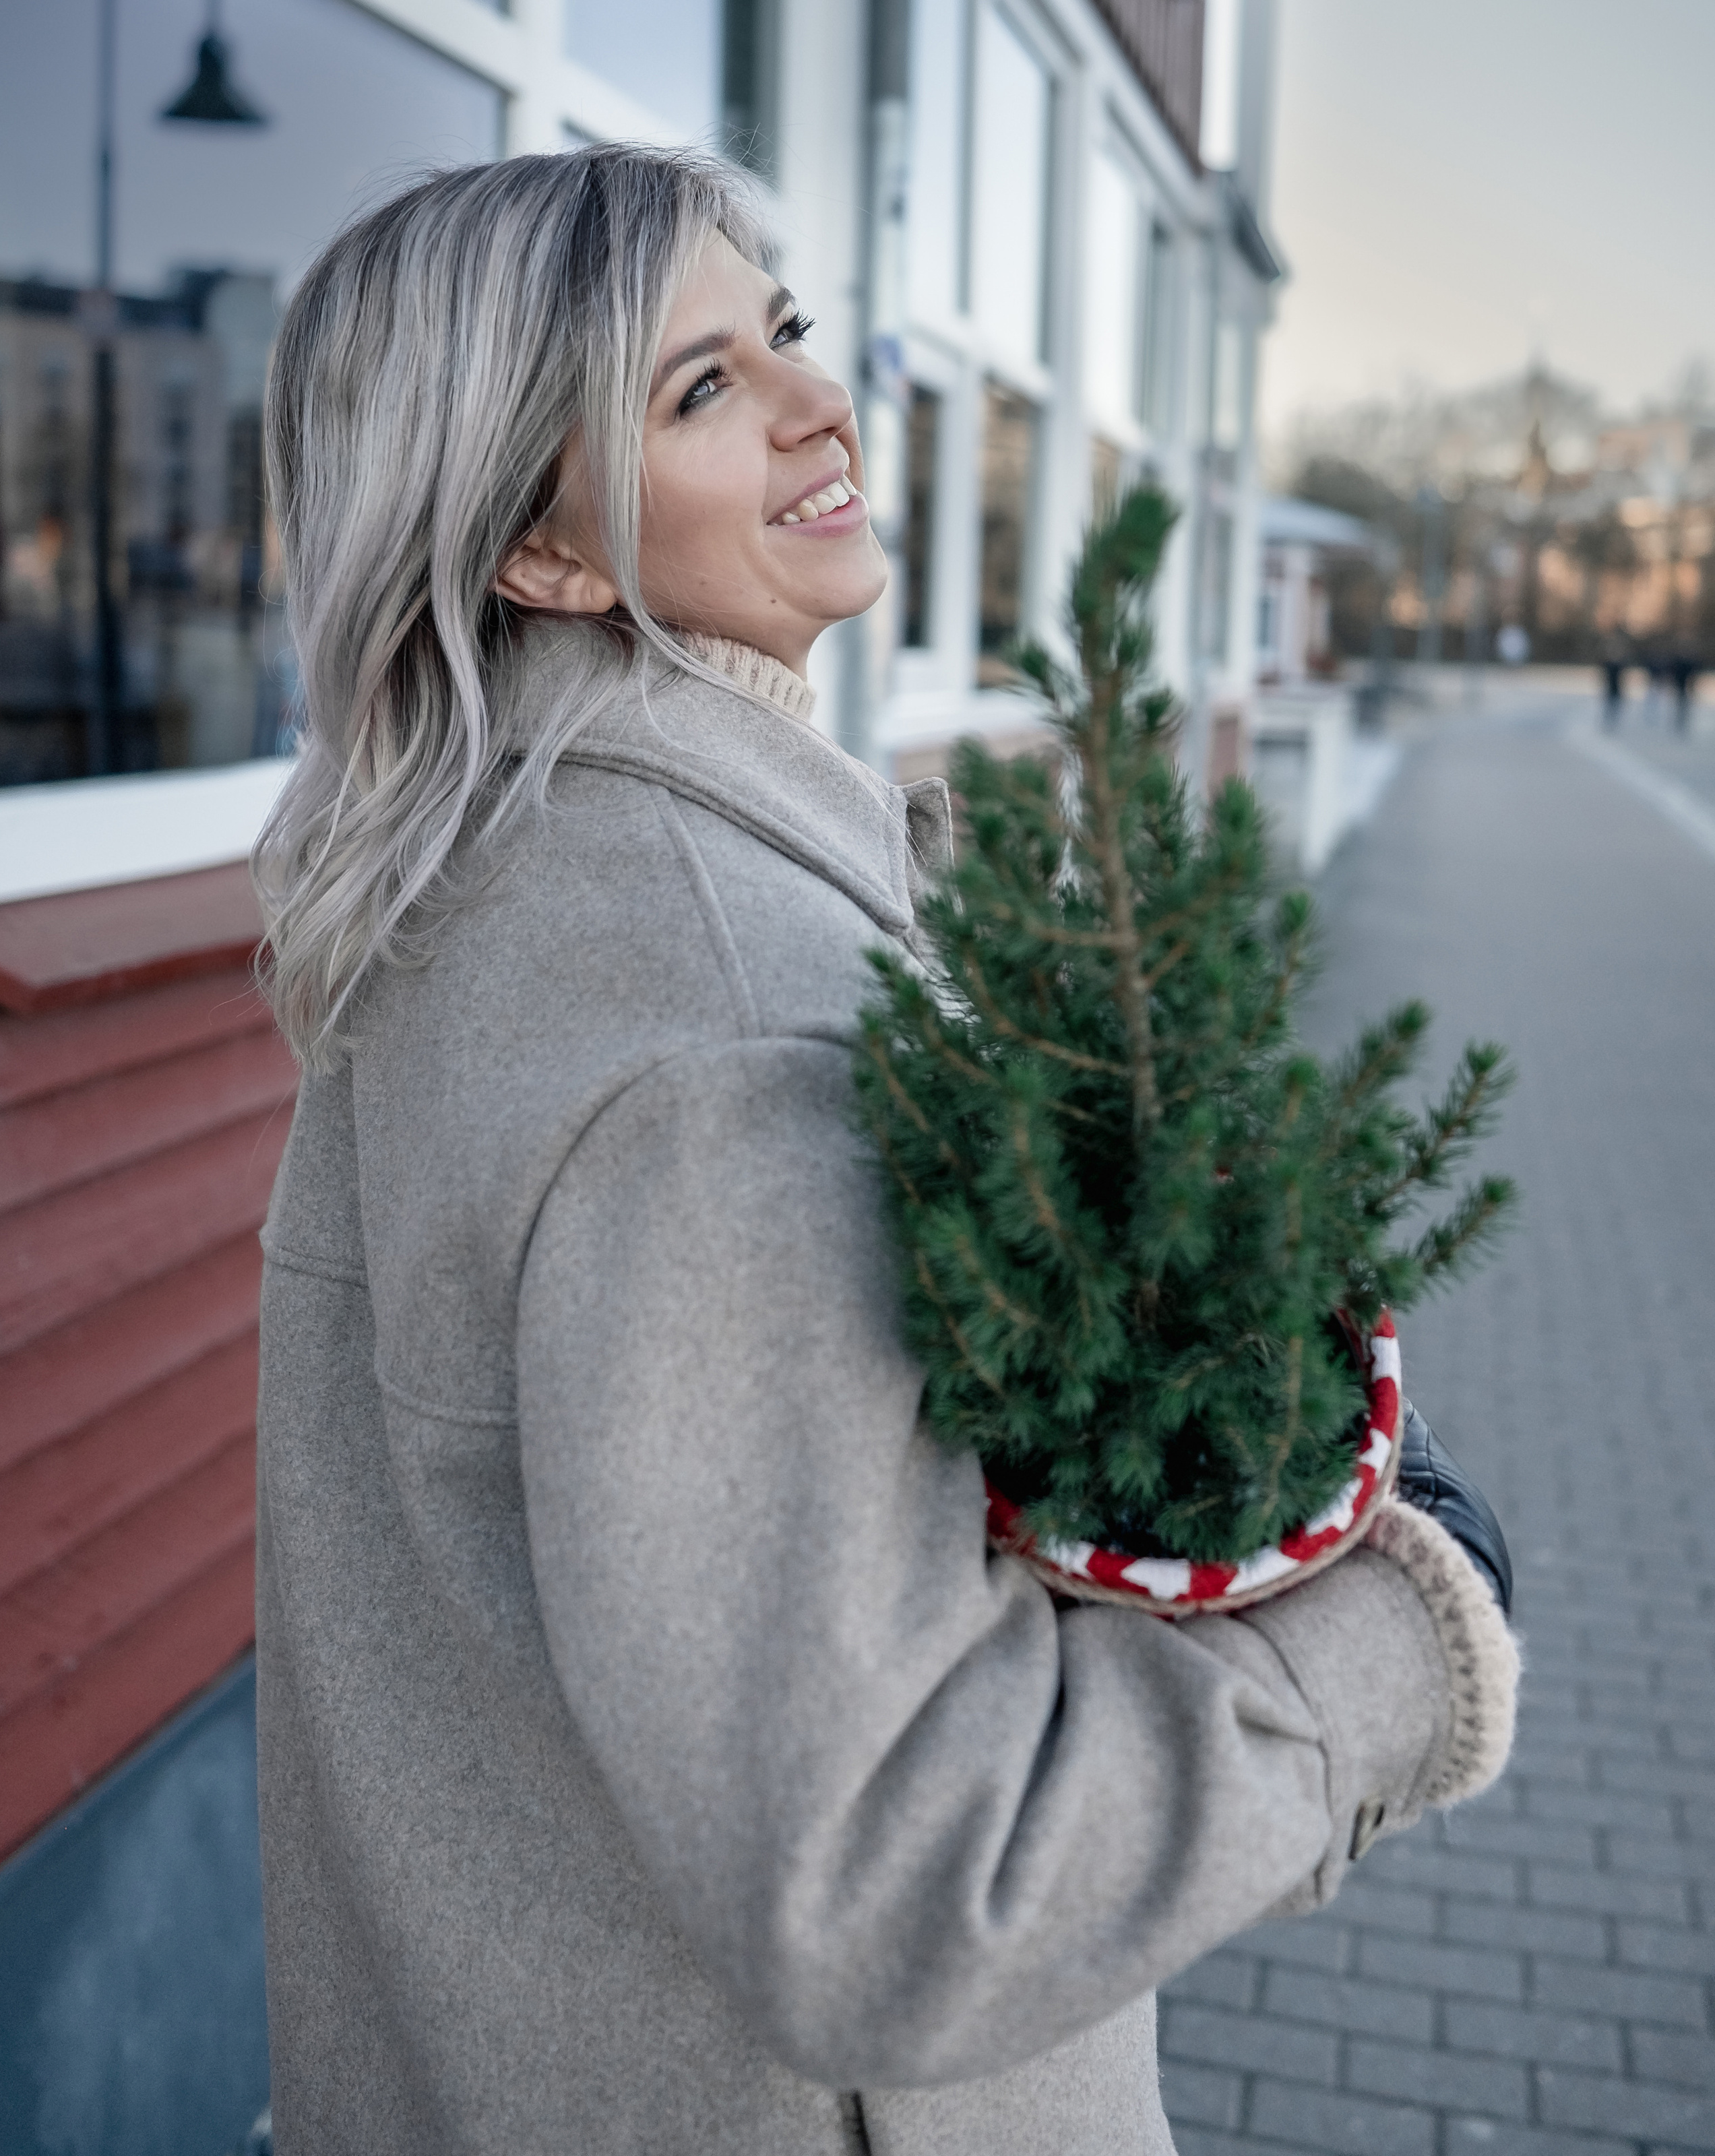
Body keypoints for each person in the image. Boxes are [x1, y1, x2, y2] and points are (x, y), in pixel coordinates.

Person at [252, 146, 1518, 2156]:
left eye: (786, 334)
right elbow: (908, 1892)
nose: (819, 406)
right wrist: (1398, 1640)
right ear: (544, 554)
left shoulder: (483, 884)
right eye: (701, 389)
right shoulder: (719, 1025)